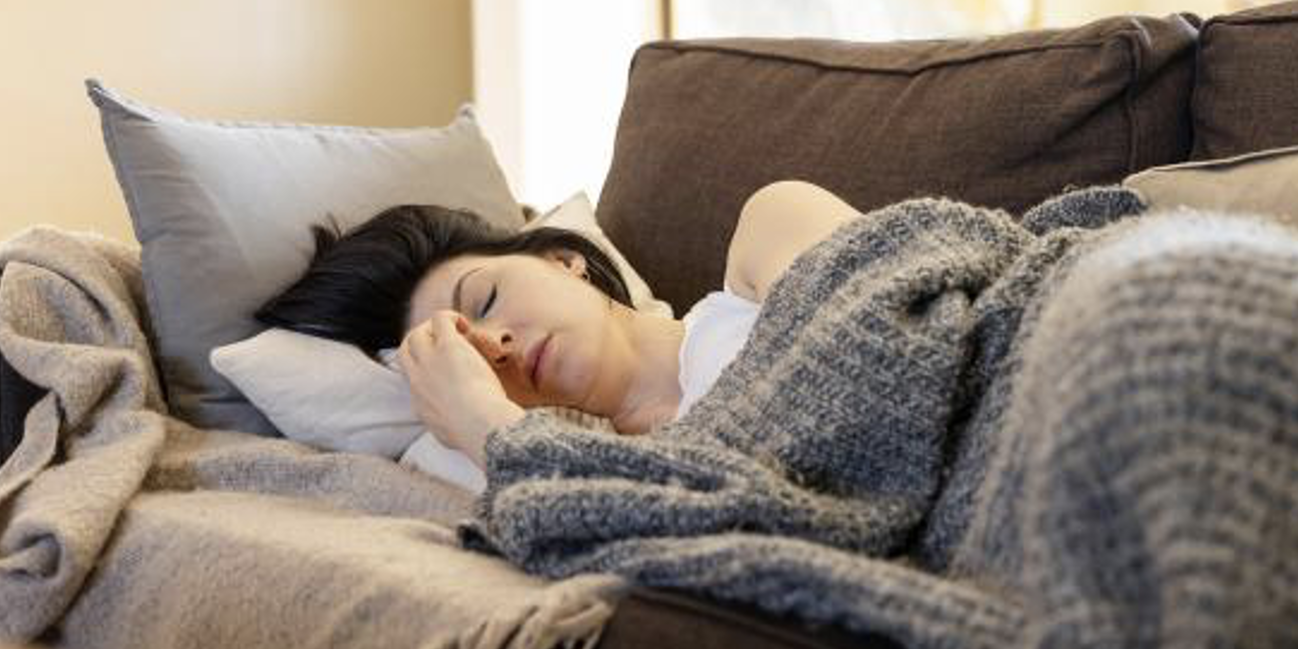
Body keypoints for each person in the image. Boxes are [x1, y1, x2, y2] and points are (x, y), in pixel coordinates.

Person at [256, 181, 862, 470]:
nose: (493, 343)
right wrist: (483, 428)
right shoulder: (603, 479)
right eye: (468, 355)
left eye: (486, 299)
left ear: (563, 261)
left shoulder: (769, 229)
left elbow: (869, 355)